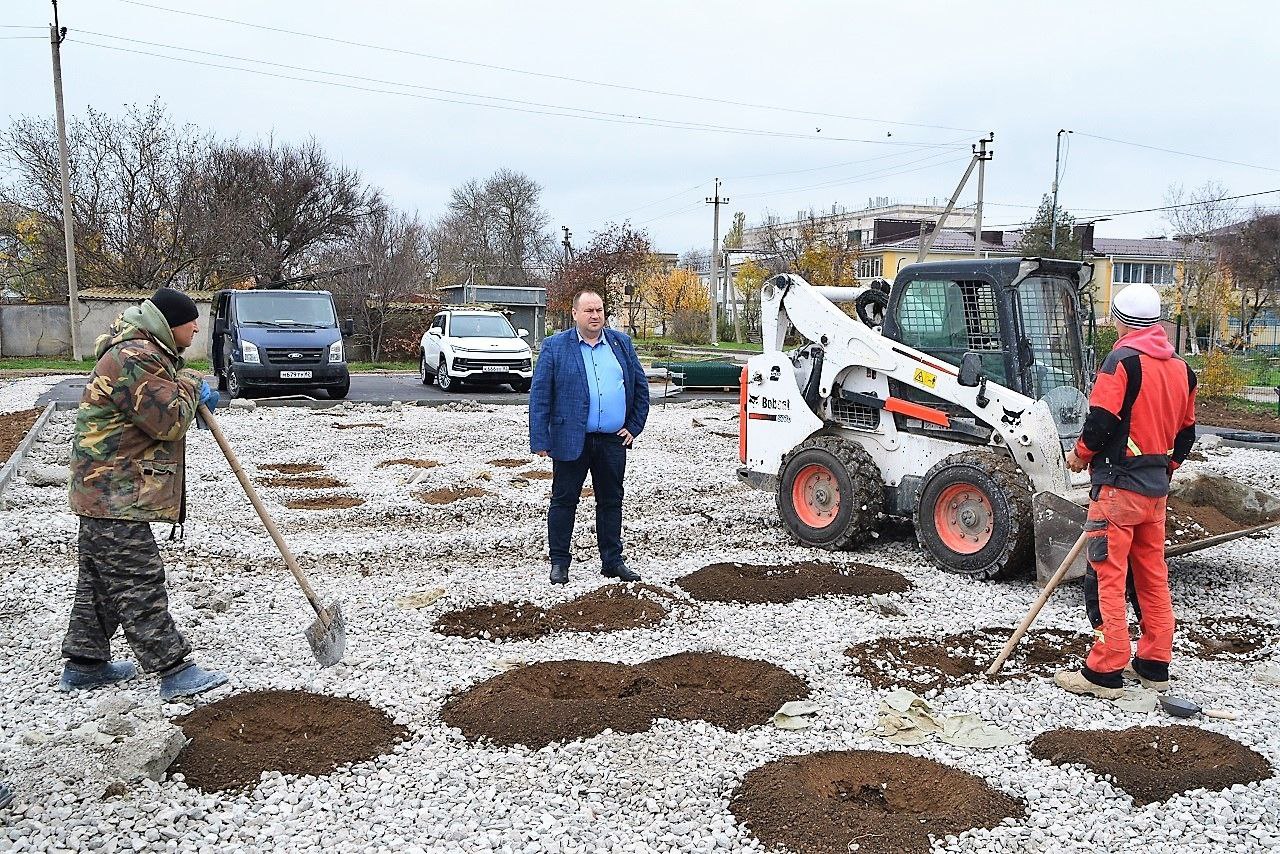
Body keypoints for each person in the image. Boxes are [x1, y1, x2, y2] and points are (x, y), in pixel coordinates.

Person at [61, 287, 228, 701]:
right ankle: (173, 669)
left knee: (101, 581)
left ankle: (85, 664)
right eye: (192, 320)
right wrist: (191, 384)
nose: (197, 327)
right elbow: (168, 420)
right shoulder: (134, 357)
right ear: (170, 325)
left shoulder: (148, 354)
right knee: (138, 578)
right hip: (113, 492)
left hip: (107, 489)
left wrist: (184, 387)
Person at [1057, 282, 1196, 699]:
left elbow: (1100, 423)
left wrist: (1081, 455)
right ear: (1157, 323)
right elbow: (1186, 435)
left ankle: (1106, 668)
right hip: (1155, 492)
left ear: (1119, 321)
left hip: (1118, 489)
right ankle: (1155, 662)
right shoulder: (1181, 369)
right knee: (1152, 576)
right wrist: (1163, 468)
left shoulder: (1121, 362)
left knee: (1107, 577)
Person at [529, 289, 650, 585]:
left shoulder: (621, 343)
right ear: (575, 314)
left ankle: (612, 561)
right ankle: (559, 563)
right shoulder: (555, 347)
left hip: (612, 441)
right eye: (589, 311)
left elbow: (640, 388)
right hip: (571, 439)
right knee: (563, 501)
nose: (595, 316)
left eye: (599, 310)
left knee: (611, 501)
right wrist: (540, 439)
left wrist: (633, 426)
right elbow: (540, 395)